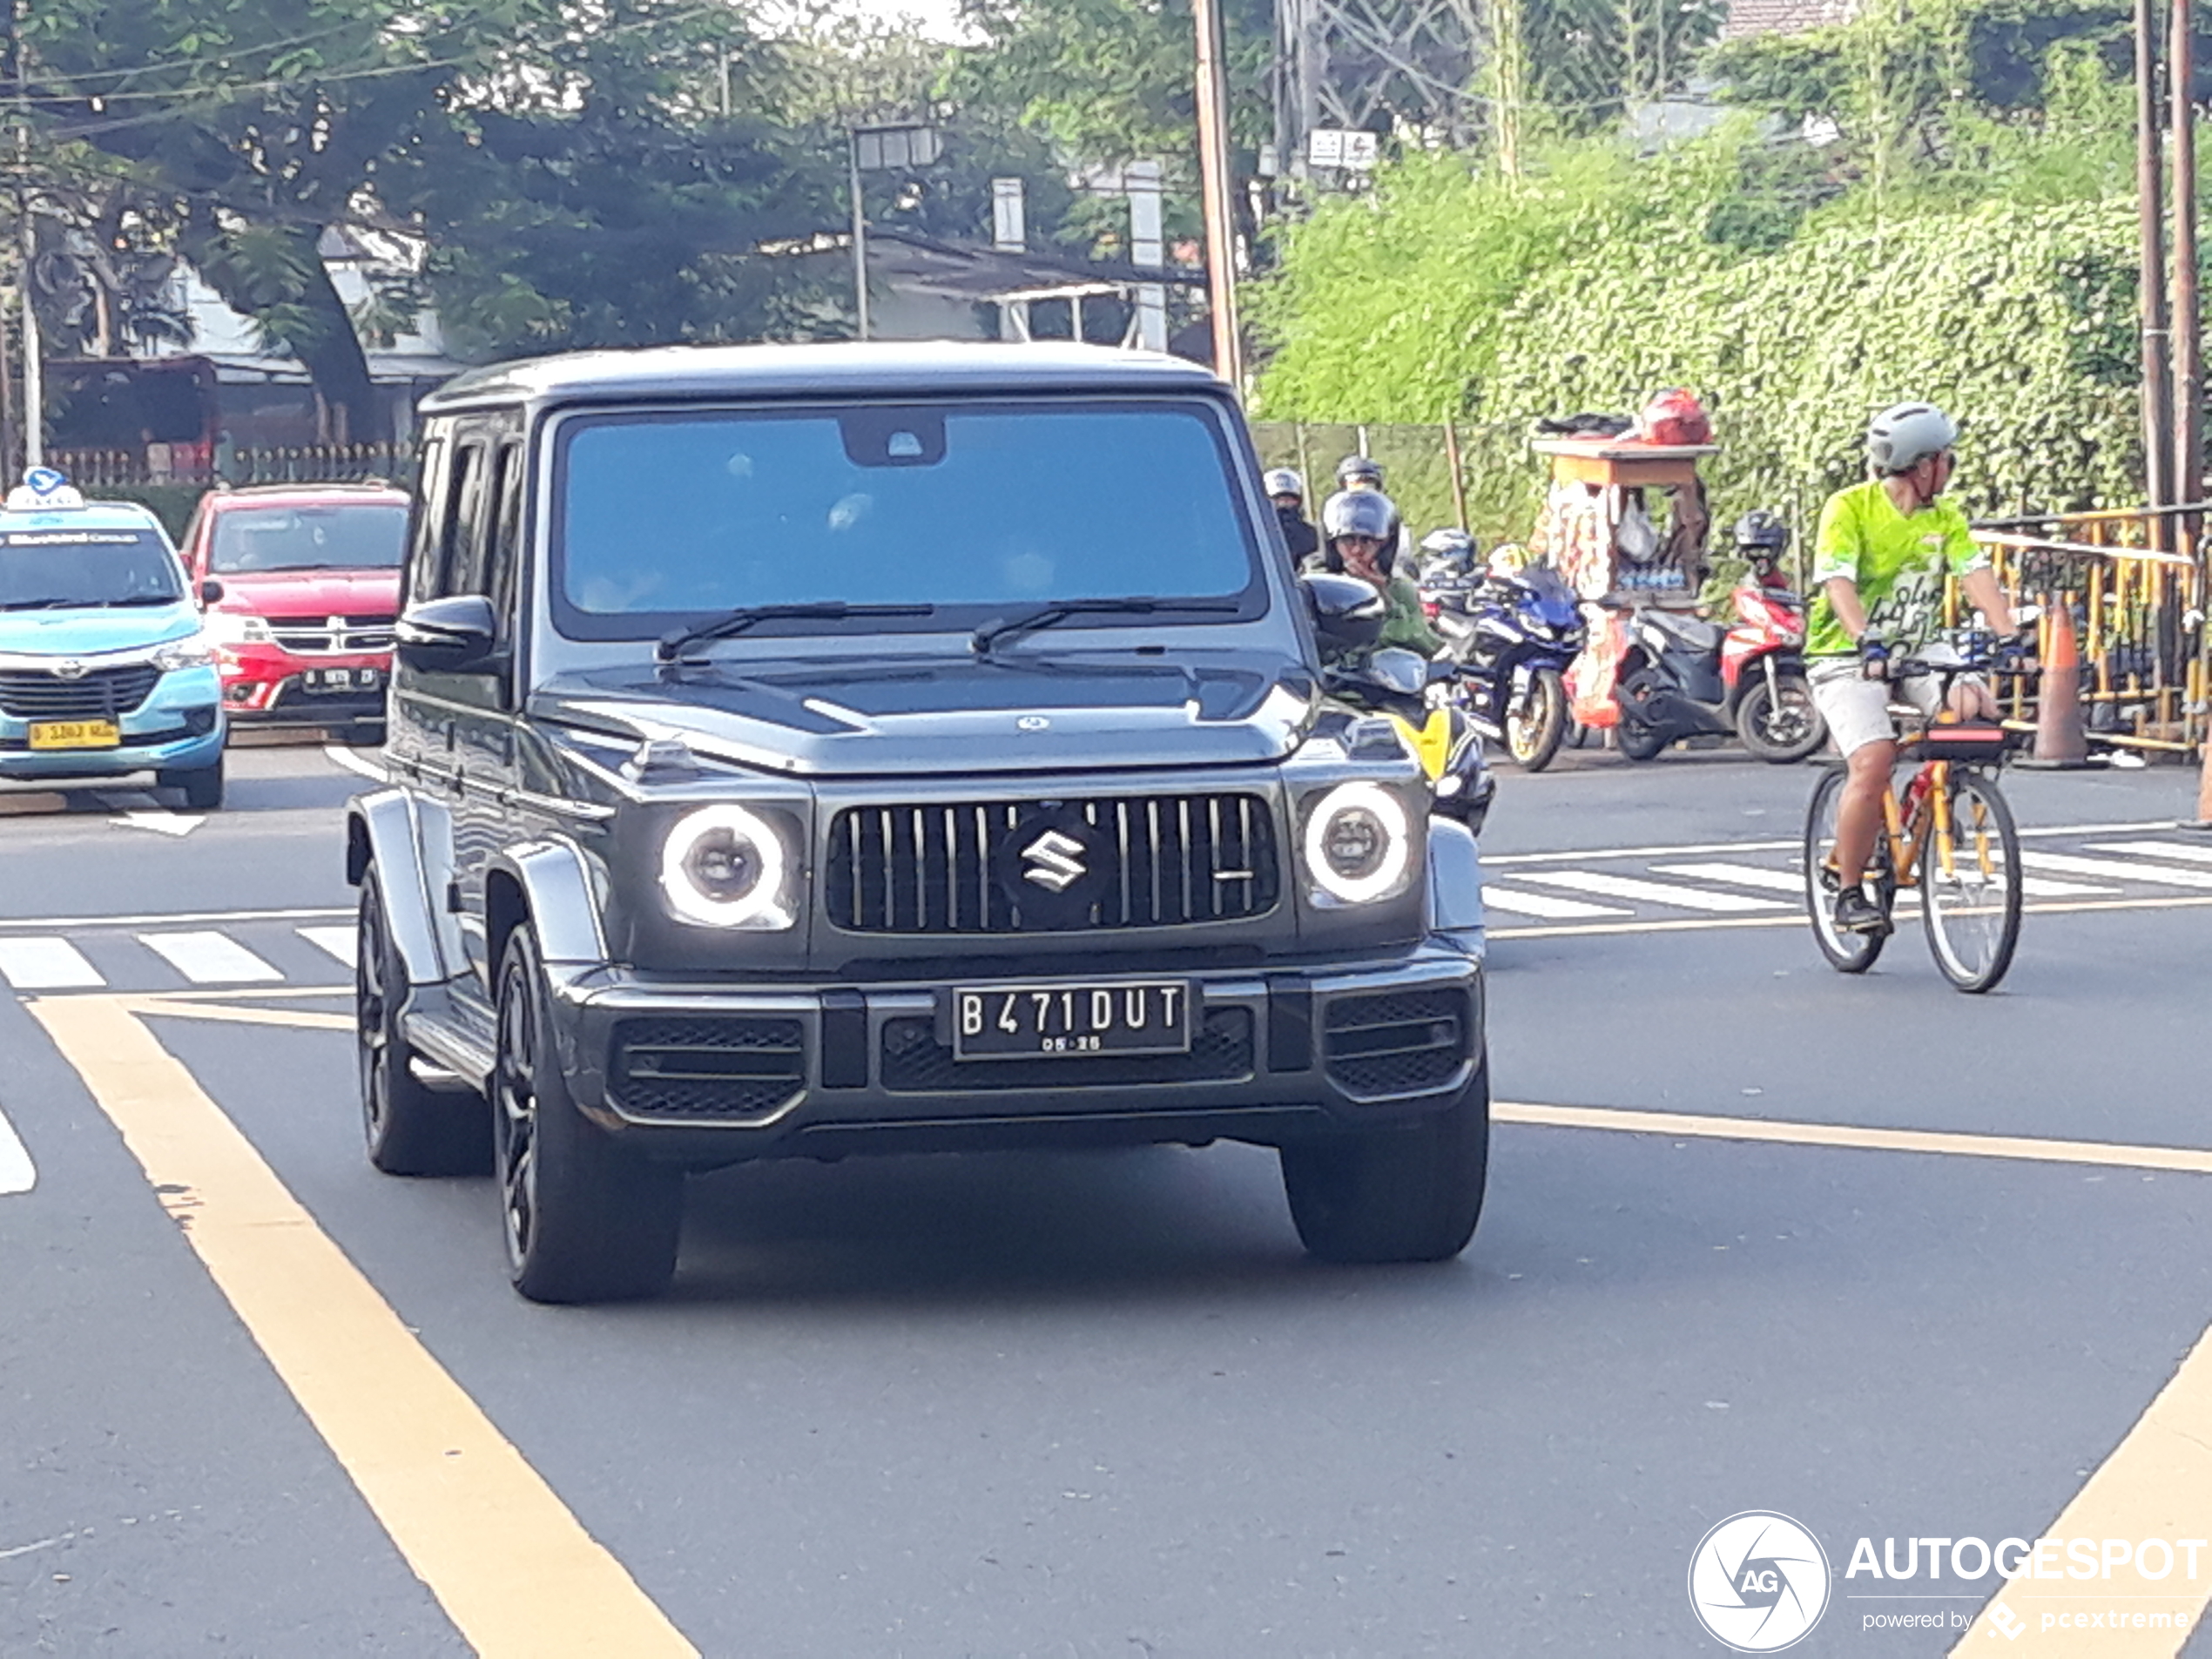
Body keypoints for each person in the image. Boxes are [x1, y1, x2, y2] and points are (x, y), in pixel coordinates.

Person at [1805, 402, 2024, 935]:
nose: (1951, 467)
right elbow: (1839, 584)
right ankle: (1850, 888)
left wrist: (2011, 637)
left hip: (1920, 647)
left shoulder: (1944, 517)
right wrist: (1866, 640)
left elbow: (1974, 576)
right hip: (1845, 655)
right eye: (1946, 458)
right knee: (1874, 758)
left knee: (1977, 709)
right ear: (1923, 464)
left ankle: (1929, 796)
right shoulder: (1849, 507)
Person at [1322, 489, 1441, 660]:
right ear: (1333, 545)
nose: (1357, 550)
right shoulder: (1319, 589)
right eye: (1348, 540)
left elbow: (1427, 644)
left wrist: (1385, 598)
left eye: (1367, 541)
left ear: (1385, 546)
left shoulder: (1400, 590)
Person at [1264, 467, 1319, 564]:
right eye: (1278, 500)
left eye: (1289, 500)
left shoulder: (1311, 534)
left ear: (1298, 502)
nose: (1284, 504)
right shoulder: (1260, 534)